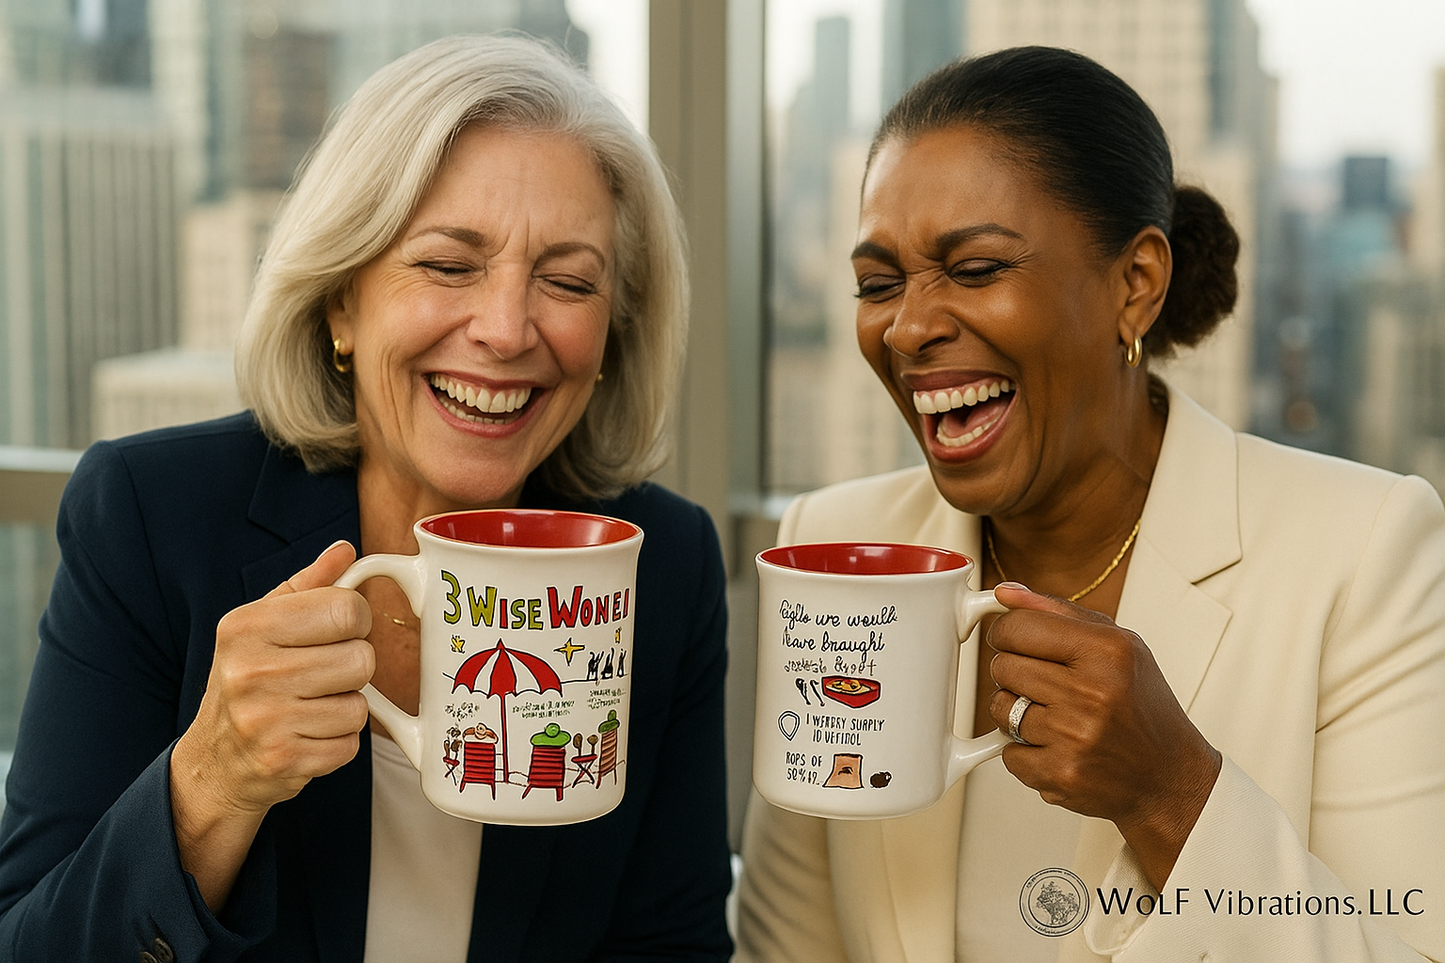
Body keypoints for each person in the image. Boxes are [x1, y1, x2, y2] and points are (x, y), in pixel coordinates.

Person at [0, 35, 733, 962]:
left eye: (567, 281)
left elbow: (670, 947)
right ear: (342, 304)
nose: (506, 330)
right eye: (448, 265)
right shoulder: (150, 516)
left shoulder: (661, 564)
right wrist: (212, 782)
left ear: (612, 334)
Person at [736, 46, 1444, 962]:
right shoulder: (835, 544)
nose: (908, 326)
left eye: (977, 267)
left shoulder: (1363, 553)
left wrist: (1169, 794)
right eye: (878, 284)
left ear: (1134, 284)